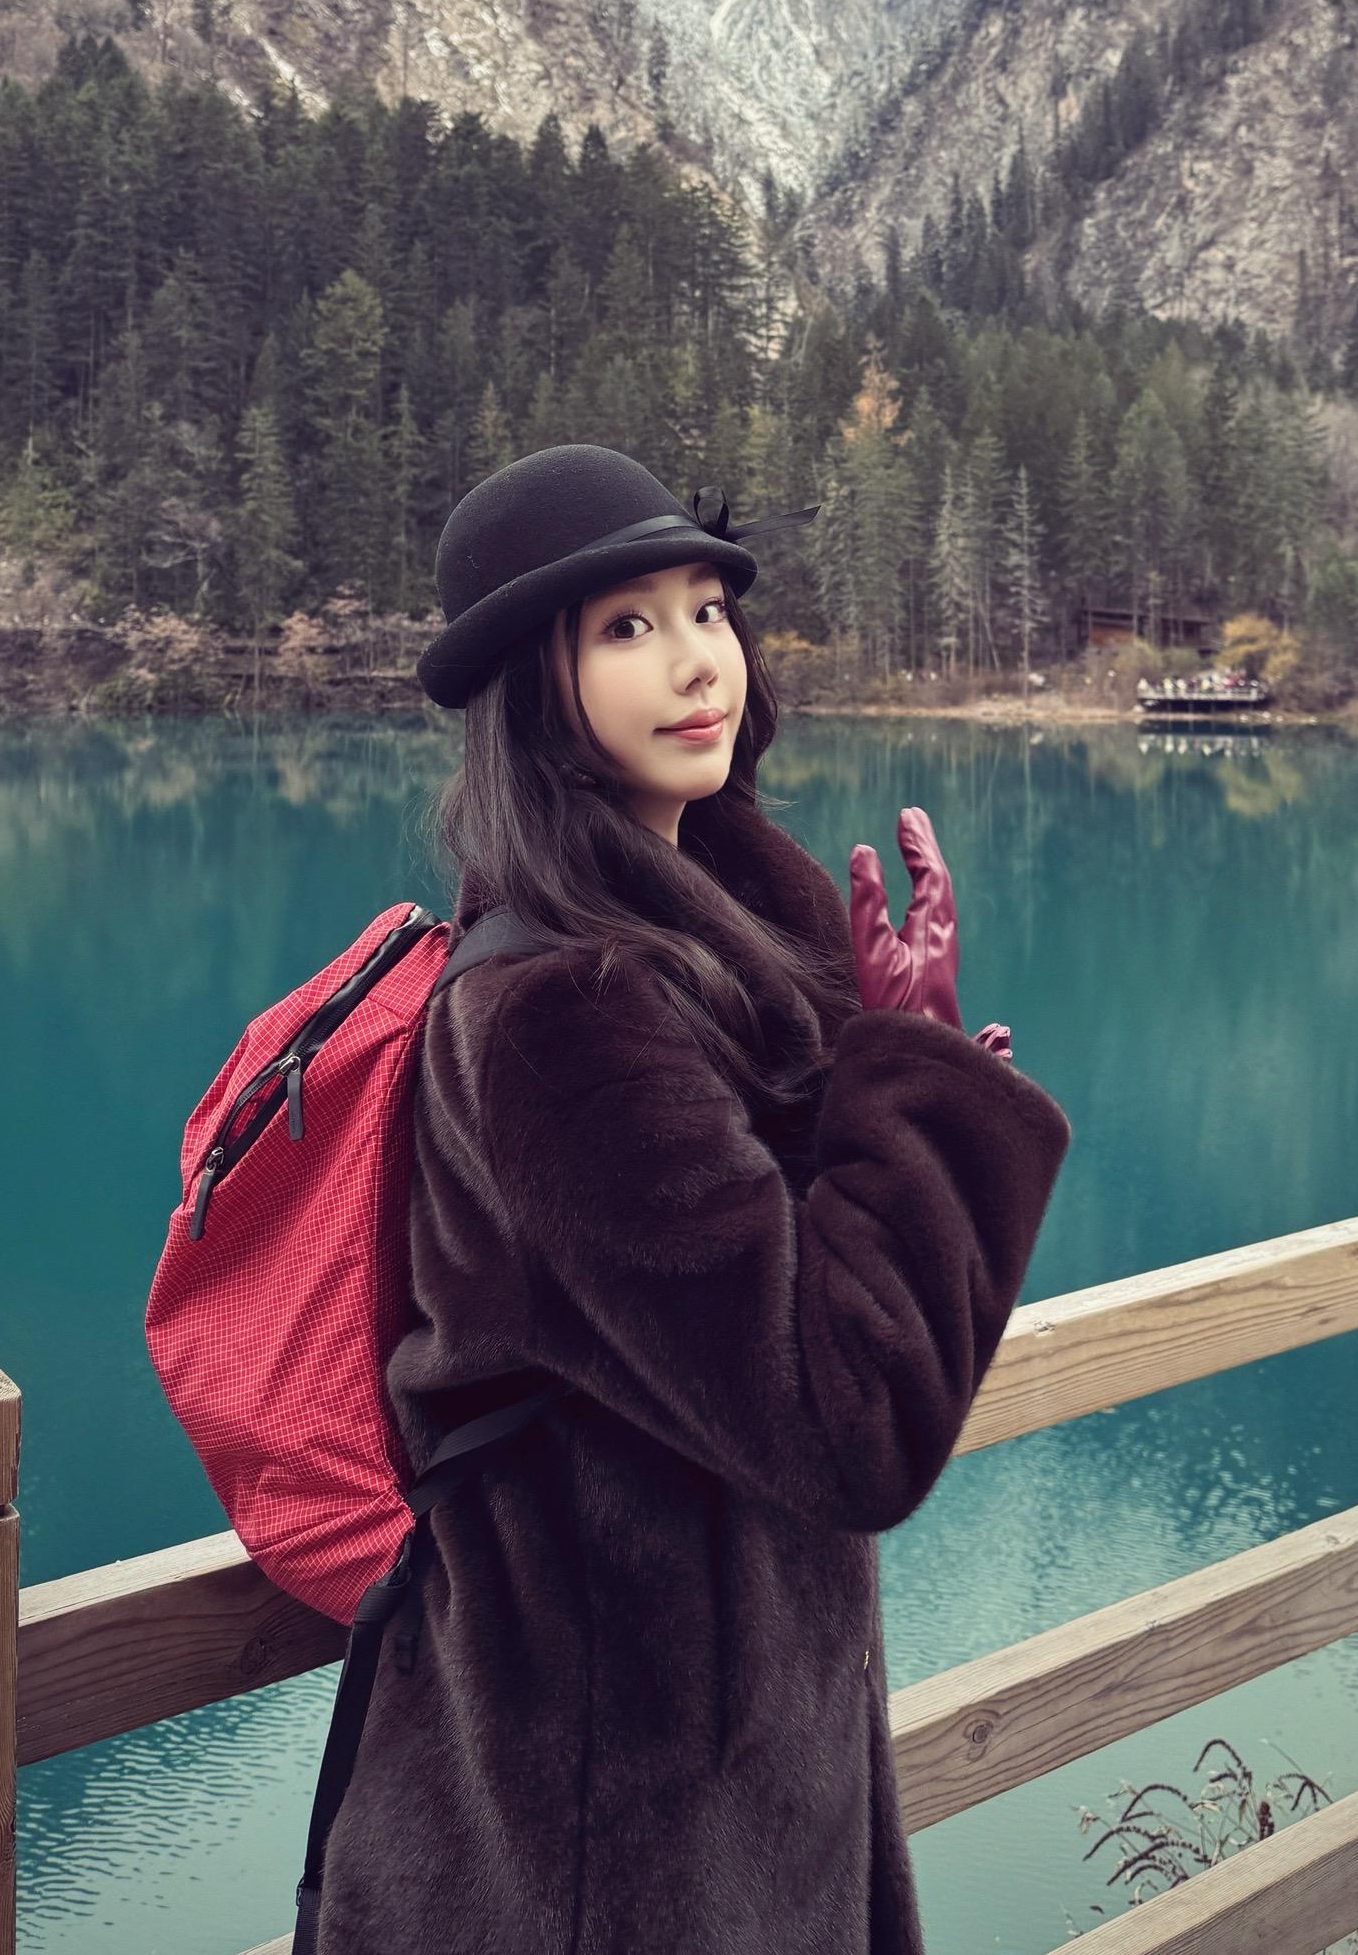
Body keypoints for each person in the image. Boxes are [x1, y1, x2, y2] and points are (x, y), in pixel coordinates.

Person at [313, 444, 1073, 1955]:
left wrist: (890, 1076)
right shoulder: (561, 1018)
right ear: (534, 692)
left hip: (702, 1749)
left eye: (706, 610)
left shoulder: (697, 943)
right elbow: (854, 1419)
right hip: (609, 1819)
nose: (695, 661)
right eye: (626, 627)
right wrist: (917, 1099)